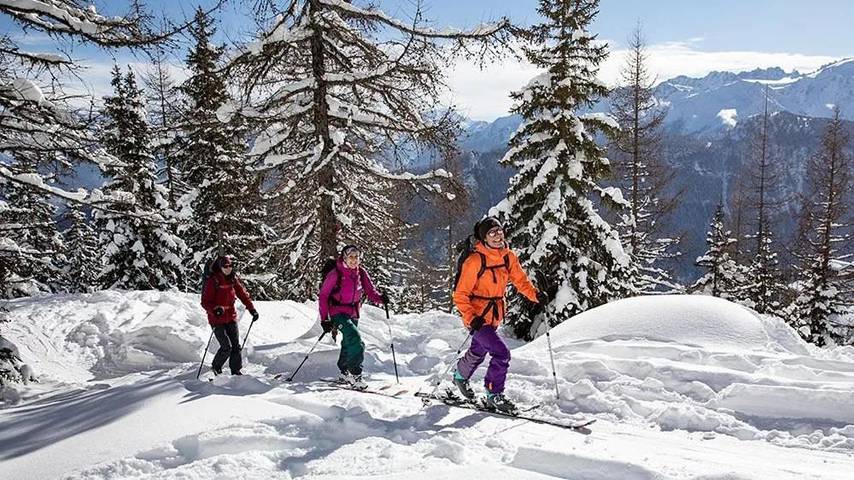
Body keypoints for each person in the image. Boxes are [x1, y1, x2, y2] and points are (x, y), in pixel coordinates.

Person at [452, 216, 543, 413]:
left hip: (494, 315)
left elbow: (521, 281)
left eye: (499, 230)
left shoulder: (508, 257)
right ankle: (494, 394)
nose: (497, 235)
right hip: (476, 317)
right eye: (492, 232)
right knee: (501, 353)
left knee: (479, 351)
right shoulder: (475, 260)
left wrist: (535, 296)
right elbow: (460, 294)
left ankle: (459, 376)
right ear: (483, 238)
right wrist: (470, 317)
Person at [318, 244, 388, 390]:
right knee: (355, 339)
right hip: (337, 311)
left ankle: (344, 373)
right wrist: (324, 319)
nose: (354, 260)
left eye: (357, 257)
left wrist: (381, 299)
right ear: (344, 257)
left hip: (354, 312)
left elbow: (370, 291)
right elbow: (324, 296)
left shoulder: (361, 273)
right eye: (351, 257)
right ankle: (356, 376)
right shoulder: (336, 273)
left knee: (348, 342)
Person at [201, 255, 259, 376]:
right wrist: (215, 309)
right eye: (225, 266)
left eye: (230, 266)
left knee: (236, 346)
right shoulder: (213, 280)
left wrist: (252, 309)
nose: (228, 268)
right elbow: (205, 302)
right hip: (217, 318)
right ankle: (216, 367)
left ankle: (236, 370)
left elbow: (243, 295)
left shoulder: (233, 279)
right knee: (226, 347)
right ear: (220, 267)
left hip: (231, 316)